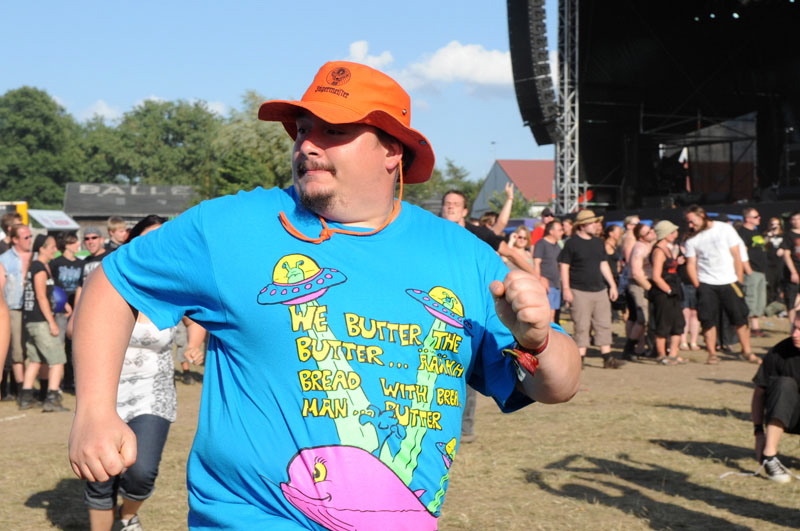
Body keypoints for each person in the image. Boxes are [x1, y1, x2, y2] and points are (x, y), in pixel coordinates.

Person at [69, 61, 581, 529]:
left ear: (392, 151)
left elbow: (558, 387)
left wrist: (536, 339)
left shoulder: (463, 257)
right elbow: (112, 283)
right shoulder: (230, 227)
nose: (308, 144)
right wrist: (94, 410)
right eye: (303, 130)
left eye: (334, 130)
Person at [83, 215, 206, 531]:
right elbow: (78, 326)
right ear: (132, 242)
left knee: (142, 470)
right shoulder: (110, 281)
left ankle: (127, 516)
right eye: (148, 238)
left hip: (154, 395)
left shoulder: (175, 285)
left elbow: (197, 318)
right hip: (106, 391)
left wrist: (193, 343)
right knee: (100, 471)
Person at [684, 205, 759, 365]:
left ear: (702, 215)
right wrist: (698, 285)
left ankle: (747, 351)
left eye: (692, 221)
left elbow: (736, 254)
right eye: (689, 222)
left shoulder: (724, 229)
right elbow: (691, 264)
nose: (691, 225)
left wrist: (738, 280)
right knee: (708, 320)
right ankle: (712, 353)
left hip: (729, 281)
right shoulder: (692, 239)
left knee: (739, 318)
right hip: (706, 283)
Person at [558, 209, 622, 368]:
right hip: (579, 290)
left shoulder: (598, 242)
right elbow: (564, 266)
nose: (596, 225)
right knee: (581, 325)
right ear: (583, 225)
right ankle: (580, 359)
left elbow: (603, 264)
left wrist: (612, 285)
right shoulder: (572, 243)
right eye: (593, 223)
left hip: (600, 290)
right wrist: (566, 289)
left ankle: (607, 357)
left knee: (604, 323)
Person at [18, 234, 69, 411]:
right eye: (52, 247)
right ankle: (52, 398)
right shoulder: (39, 268)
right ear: (42, 248)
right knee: (57, 360)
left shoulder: (39, 266)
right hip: (39, 321)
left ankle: (25, 397)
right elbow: (41, 296)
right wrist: (52, 323)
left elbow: (49, 293)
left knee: (35, 360)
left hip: (32, 320)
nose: (55, 250)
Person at [750, 307, 800, 483]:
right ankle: (769, 457)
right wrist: (758, 433)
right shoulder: (779, 352)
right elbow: (759, 394)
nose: (795, 334)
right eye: (794, 327)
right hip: (789, 415)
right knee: (783, 384)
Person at [0, 223, 33, 399]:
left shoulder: (35, 257)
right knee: (17, 350)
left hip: (32, 308)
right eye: (26, 237)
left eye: (30, 236)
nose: (29, 240)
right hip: (13, 308)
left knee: (32, 348)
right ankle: (21, 389)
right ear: (14, 239)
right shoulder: (5, 259)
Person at [649, 221, 687, 365]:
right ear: (664, 234)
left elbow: (670, 268)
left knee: (678, 323)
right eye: (672, 232)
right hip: (663, 292)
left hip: (674, 290)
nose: (675, 234)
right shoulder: (658, 251)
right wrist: (668, 290)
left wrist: (678, 262)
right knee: (663, 324)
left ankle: (673, 354)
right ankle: (661, 355)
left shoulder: (668, 248)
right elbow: (656, 276)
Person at [622, 223, 657, 360]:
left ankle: (645, 347)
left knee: (641, 318)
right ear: (641, 237)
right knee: (643, 318)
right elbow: (636, 273)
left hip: (647, 283)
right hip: (639, 284)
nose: (652, 233)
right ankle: (629, 349)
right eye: (648, 232)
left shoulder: (652, 245)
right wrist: (650, 288)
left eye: (651, 230)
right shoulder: (639, 249)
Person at [738, 208, 768, 337]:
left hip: (761, 271)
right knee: (751, 299)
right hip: (751, 270)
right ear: (748, 219)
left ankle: (756, 328)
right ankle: (748, 328)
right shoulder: (742, 233)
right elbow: (740, 252)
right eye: (756, 217)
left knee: (760, 301)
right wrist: (747, 269)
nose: (759, 218)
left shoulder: (756, 231)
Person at [533, 220, 564, 323]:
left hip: (556, 285)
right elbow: (536, 264)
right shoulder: (541, 244)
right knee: (547, 316)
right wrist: (539, 280)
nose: (562, 232)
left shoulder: (558, 245)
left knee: (553, 315)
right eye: (559, 230)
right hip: (546, 286)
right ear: (551, 231)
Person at [780, 211, 800, 326]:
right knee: (791, 301)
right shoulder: (788, 235)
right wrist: (793, 272)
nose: (796, 221)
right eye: (793, 219)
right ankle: (793, 326)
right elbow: (786, 255)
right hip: (793, 272)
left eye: (798, 218)